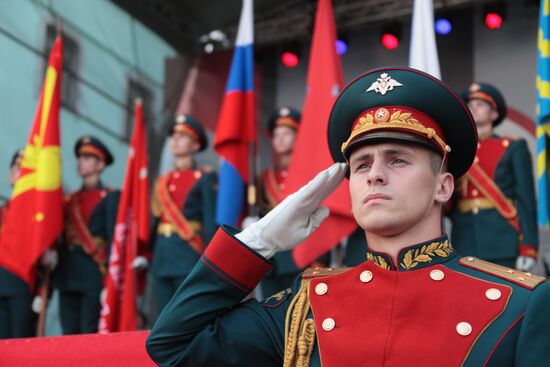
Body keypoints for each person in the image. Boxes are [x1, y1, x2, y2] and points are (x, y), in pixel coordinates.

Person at [146, 68, 550, 366]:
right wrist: (259, 242)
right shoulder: (304, 308)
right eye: (360, 165)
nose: (375, 173)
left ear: (443, 188)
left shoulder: (521, 303)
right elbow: (173, 345)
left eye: (398, 159)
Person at [450, 83, 538, 270]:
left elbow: (526, 200)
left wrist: (529, 246)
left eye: (480, 104)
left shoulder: (513, 147)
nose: (473, 107)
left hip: (502, 241)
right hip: (464, 242)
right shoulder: (456, 151)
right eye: (470, 104)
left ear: (494, 114)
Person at [149, 114, 217, 313]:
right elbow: (154, 221)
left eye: (183, 136)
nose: (176, 140)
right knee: (161, 316)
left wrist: (211, 259)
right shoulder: (163, 181)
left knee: (185, 314)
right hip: (162, 255)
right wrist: (146, 253)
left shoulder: (205, 177)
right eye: (174, 136)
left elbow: (210, 221)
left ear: (196, 145)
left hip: (189, 254)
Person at [53, 136, 119, 334]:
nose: (81, 162)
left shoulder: (110, 196)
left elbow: (113, 236)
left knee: (88, 332)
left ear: (101, 164)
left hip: (93, 272)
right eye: (80, 157)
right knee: (67, 334)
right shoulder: (70, 199)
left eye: (88, 158)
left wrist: (110, 279)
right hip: (67, 272)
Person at [0, 149, 36, 338]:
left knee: (21, 344)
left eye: (24, 169)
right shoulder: (2, 212)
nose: (18, 172)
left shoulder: (37, 216)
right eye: (15, 167)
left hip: (22, 286)